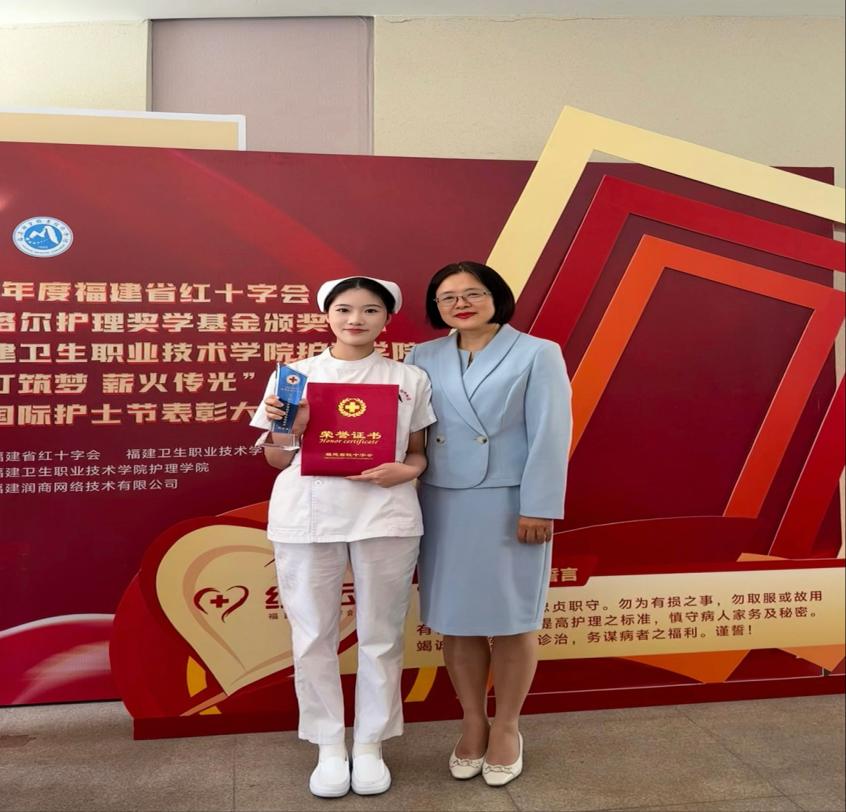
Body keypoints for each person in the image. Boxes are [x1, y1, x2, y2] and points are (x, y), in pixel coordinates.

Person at [253, 276, 435, 798]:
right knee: (313, 634)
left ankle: (371, 744)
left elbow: (418, 452)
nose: (356, 319)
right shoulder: (294, 376)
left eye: (371, 310)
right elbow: (276, 457)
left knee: (381, 634)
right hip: (308, 516)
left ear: (387, 319)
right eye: (345, 309)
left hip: (386, 514)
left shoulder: (409, 378)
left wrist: (407, 471)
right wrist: (291, 428)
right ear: (326, 315)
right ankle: (329, 745)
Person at [405, 261, 571, 787]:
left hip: (510, 501)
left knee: (513, 618)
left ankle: (508, 726)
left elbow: (550, 432)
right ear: (436, 307)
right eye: (448, 297)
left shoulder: (537, 352)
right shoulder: (421, 356)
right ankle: (473, 722)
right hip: (443, 499)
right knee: (457, 619)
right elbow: (406, 428)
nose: (461, 304)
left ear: (496, 296)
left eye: (473, 293)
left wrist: (540, 505)